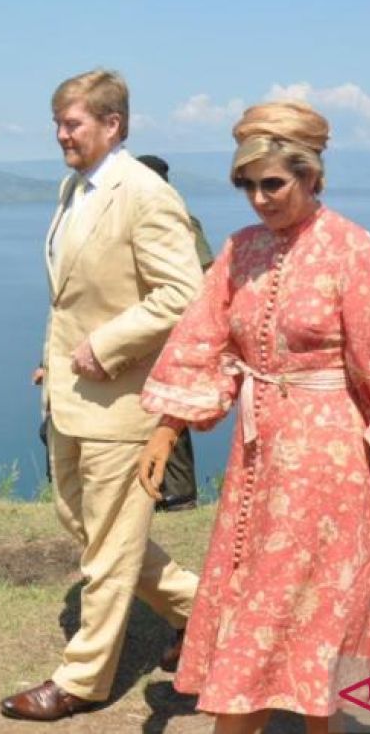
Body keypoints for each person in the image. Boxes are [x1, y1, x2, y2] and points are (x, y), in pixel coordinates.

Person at [137, 101, 370, 734]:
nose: (259, 198)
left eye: (274, 184)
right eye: (247, 185)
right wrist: (166, 426)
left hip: (329, 462)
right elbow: (208, 342)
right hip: (256, 462)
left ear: (313, 179)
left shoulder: (350, 248)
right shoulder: (239, 251)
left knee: (323, 605)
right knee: (251, 597)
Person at [1, 69, 203, 722]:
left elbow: (184, 294)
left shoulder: (143, 193)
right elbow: (71, 301)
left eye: (73, 123)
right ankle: (209, 614)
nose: (61, 134)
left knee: (110, 548)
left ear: (113, 124)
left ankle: (82, 680)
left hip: (120, 402)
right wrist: (52, 363)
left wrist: (110, 344)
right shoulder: (74, 189)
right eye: (58, 122)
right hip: (69, 395)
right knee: (86, 526)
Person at [136, 153, 214, 511]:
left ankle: (179, 496)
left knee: (170, 411)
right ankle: (150, 489)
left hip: (173, 330)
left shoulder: (179, 220)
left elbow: (204, 274)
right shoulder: (145, 216)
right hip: (148, 328)